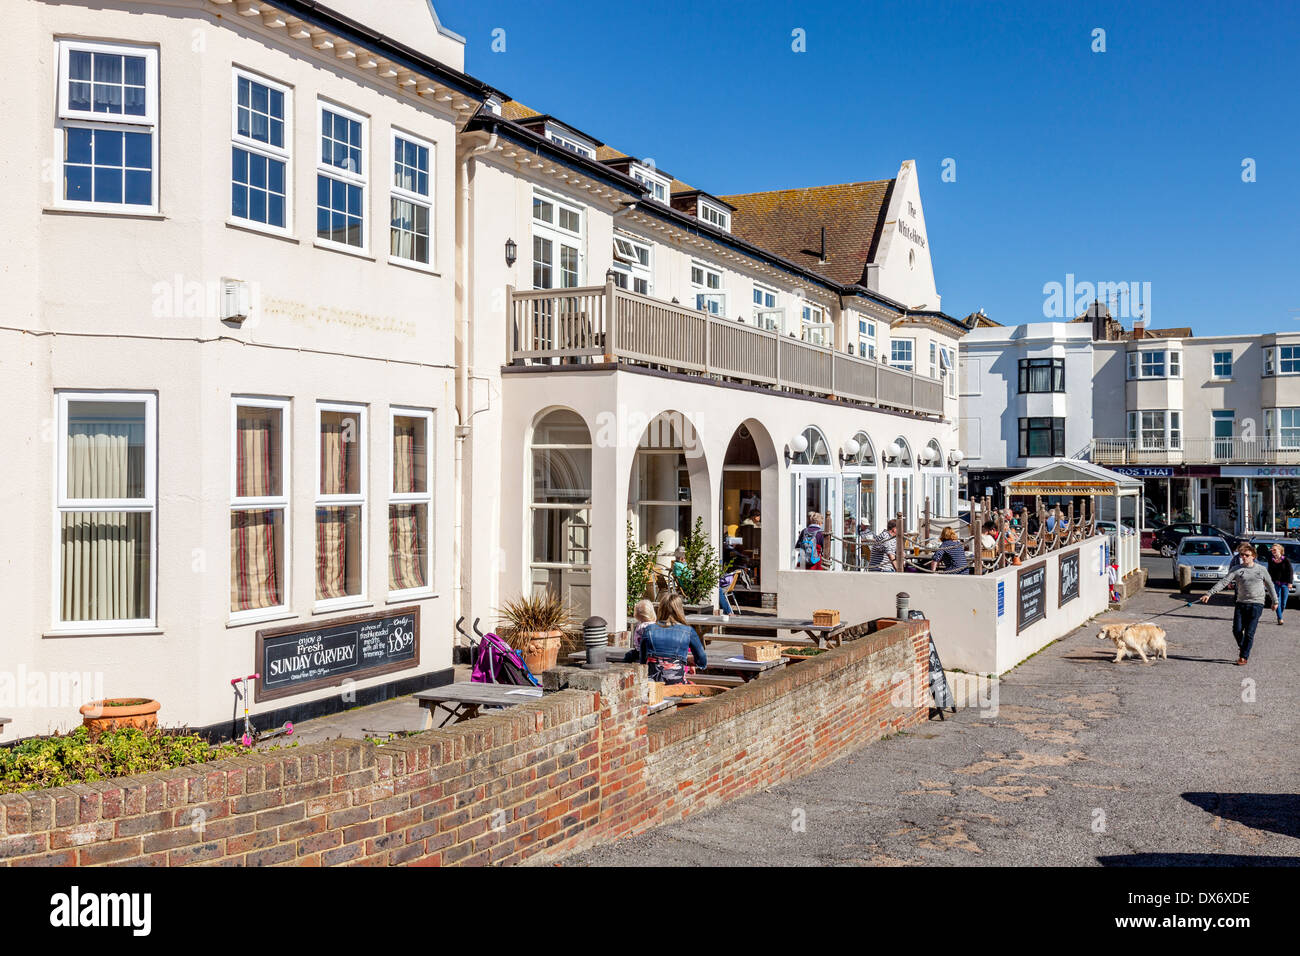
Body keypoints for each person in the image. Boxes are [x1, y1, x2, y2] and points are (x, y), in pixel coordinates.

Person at [1200, 544, 1275, 665]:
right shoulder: (1236, 569)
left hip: (1257, 603)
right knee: (1237, 630)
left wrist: (1275, 601)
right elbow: (1223, 582)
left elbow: (1270, 585)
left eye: (1247, 555)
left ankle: (1243, 657)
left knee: (1250, 632)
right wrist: (1209, 594)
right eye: (1242, 555)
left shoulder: (1261, 570)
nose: (1244, 557)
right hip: (1241, 603)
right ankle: (1243, 647)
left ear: (1253, 556)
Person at [639, 593, 707, 684]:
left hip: (653, 684)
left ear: (661, 609)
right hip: (676, 683)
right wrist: (685, 659)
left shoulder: (649, 630)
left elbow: (643, 660)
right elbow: (702, 660)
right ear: (679, 610)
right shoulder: (688, 631)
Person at [1266, 542, 1293, 625]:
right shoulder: (1271, 560)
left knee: (1283, 603)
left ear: (1280, 551)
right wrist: (1267, 581)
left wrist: (1290, 583)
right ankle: (1280, 618)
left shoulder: (1286, 560)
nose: (1273, 551)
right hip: (1275, 583)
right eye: (1272, 550)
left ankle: (1279, 613)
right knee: (1277, 600)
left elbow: (1290, 572)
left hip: (1285, 583)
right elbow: (1269, 571)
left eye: (1275, 550)